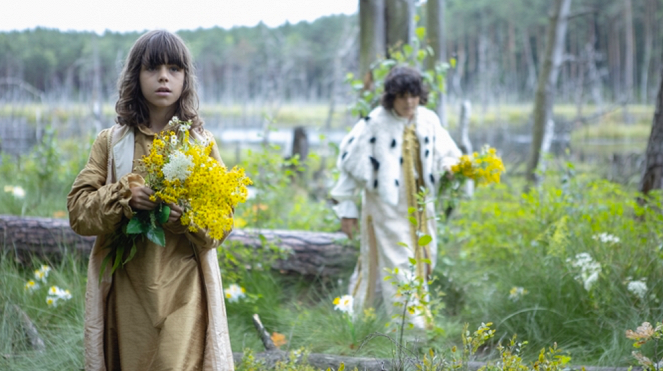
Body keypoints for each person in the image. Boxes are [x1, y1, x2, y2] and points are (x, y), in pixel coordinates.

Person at [67, 30, 234, 371]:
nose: (163, 76)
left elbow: (222, 222)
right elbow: (78, 213)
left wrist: (185, 217)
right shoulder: (112, 143)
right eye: (152, 68)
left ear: (185, 79)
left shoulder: (199, 145)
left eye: (174, 69)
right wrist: (124, 196)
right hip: (127, 288)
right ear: (135, 76)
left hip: (185, 288)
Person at [330, 66, 461, 330]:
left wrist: (452, 167)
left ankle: (363, 321)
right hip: (386, 208)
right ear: (392, 97)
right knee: (401, 264)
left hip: (423, 208)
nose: (409, 102)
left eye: (413, 95)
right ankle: (414, 333)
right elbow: (351, 164)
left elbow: (448, 152)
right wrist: (346, 210)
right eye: (402, 96)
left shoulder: (428, 120)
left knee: (422, 259)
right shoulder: (375, 123)